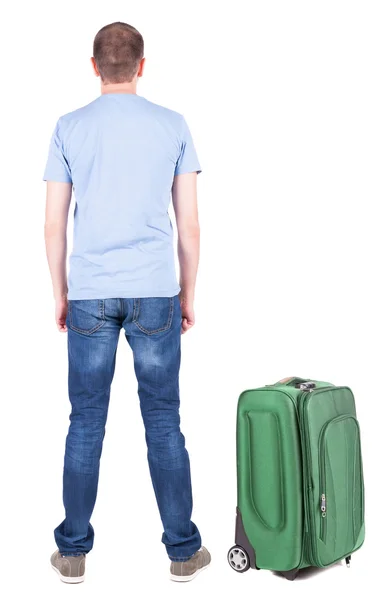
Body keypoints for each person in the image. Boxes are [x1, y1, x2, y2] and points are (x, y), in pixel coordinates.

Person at [43, 21, 210, 584]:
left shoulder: (69, 128)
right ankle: (184, 553)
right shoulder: (173, 125)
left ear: (94, 66)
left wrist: (61, 293)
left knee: (85, 421)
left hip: (89, 291)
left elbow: (52, 226)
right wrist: (188, 293)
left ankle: (71, 554)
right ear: (142, 65)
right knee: (164, 420)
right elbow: (189, 226)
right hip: (155, 289)